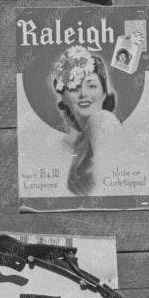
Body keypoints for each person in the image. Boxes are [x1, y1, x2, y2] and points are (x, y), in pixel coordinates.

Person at [50, 46, 129, 196]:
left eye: (91, 85)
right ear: (64, 97)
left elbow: (116, 185)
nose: (83, 93)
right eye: (74, 87)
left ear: (104, 93)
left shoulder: (102, 120)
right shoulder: (78, 141)